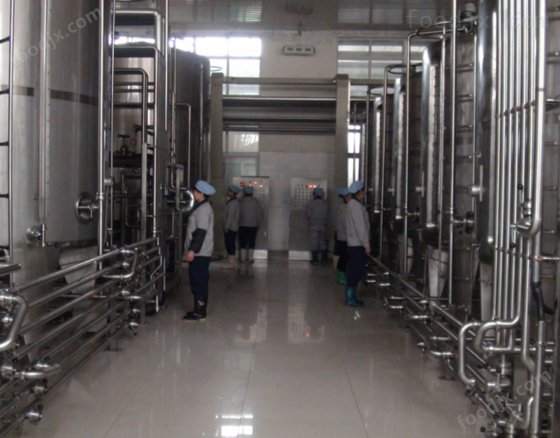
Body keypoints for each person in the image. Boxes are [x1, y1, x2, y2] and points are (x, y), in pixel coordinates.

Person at [183, 180, 216, 321]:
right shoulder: (202, 207)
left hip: (200, 252)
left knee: (198, 280)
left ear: (201, 193)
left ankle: (200, 311)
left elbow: (200, 232)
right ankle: (199, 309)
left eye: (196, 191)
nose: (194, 193)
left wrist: (192, 250)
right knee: (198, 279)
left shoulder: (203, 209)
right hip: (201, 251)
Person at [345, 180, 370, 307]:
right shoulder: (355, 206)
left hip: (354, 243)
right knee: (356, 271)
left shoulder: (352, 204)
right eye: (364, 191)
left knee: (354, 270)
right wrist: (366, 244)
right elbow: (360, 227)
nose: (365, 193)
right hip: (357, 244)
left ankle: (351, 296)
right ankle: (350, 297)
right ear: (359, 192)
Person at [238, 186, 262, 263]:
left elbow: (237, 214)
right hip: (253, 225)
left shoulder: (240, 202)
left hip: (242, 224)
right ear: (252, 193)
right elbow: (259, 214)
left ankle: (242, 258)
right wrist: (258, 223)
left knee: (243, 242)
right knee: (252, 241)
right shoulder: (256, 202)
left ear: (244, 193)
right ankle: (250, 258)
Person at [305, 187, 328, 264]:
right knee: (322, 242)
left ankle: (314, 260)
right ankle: (324, 260)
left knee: (314, 242)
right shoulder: (325, 205)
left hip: (314, 226)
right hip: (323, 226)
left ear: (314, 194)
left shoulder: (311, 204)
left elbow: (308, 215)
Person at [334, 187, 351, 284]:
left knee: (343, 257)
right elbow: (346, 223)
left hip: (342, 236)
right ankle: (341, 276)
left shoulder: (342, 207)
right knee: (344, 257)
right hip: (345, 237)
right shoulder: (344, 208)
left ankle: (339, 275)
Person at [222, 184, 241, 270]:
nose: (227, 192)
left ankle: (231, 263)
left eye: (229, 191)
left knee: (230, 244)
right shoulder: (232, 201)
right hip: (231, 226)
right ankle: (230, 262)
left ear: (233, 193)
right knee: (229, 244)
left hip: (231, 227)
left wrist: (227, 226)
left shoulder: (233, 203)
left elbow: (230, 216)